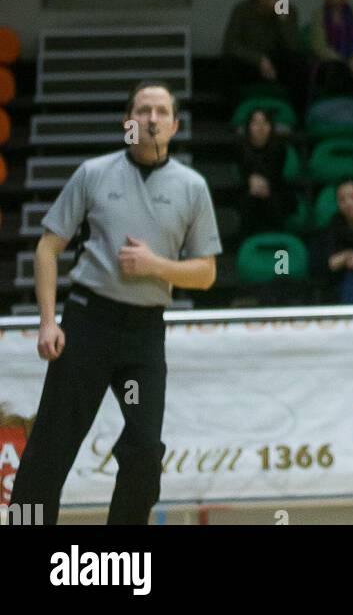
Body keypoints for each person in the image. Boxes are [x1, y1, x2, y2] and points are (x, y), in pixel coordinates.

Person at [10, 83, 221, 526]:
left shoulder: (192, 187)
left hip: (143, 334)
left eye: (162, 111)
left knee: (144, 449)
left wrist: (155, 265)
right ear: (128, 122)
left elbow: (206, 273)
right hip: (88, 323)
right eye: (142, 110)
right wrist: (48, 323)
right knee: (51, 447)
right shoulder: (93, 173)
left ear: (175, 125)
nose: (151, 118)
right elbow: (48, 250)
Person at [221, 0, 306, 112]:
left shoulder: (287, 8)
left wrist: (282, 18)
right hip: (251, 62)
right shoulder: (242, 9)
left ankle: (297, 118)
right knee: (227, 66)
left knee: (299, 65)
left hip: (277, 63)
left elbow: (294, 45)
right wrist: (259, 59)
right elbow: (230, 44)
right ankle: (234, 117)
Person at [237, 107, 296, 239]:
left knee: (274, 200)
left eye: (264, 122)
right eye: (256, 123)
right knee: (249, 201)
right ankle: (247, 245)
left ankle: (279, 244)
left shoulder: (280, 148)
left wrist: (264, 185)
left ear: (271, 126)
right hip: (249, 191)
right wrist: (251, 182)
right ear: (249, 127)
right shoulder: (240, 148)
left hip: (274, 188)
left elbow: (276, 175)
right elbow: (243, 174)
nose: (260, 127)